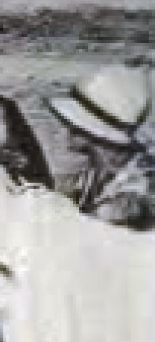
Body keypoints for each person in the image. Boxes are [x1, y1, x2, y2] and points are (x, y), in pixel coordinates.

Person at [47, 65, 155, 231]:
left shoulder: (127, 202)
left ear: (100, 137)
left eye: (77, 130)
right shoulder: (100, 171)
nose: (71, 142)